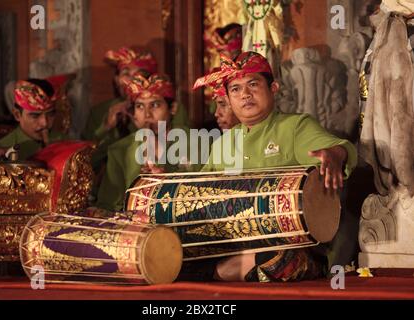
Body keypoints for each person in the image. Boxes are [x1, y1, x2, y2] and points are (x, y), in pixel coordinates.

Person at [193, 51, 358, 282]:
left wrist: (335, 155)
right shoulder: (223, 144)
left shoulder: (295, 127)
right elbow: (196, 191)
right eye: (236, 89)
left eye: (253, 84)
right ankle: (229, 268)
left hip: (291, 245)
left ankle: (218, 273)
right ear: (229, 100)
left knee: (278, 258)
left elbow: (337, 148)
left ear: (273, 88)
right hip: (233, 243)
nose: (245, 95)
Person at [96, 73, 197, 212]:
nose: (147, 114)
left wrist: (167, 183)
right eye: (140, 106)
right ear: (133, 114)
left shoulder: (196, 143)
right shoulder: (120, 150)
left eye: (155, 105)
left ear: (172, 108)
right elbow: (107, 207)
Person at [0, 79, 66, 162]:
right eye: (35, 116)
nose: (44, 123)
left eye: (50, 114)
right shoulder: (1, 151)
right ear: (17, 115)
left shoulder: (64, 142)